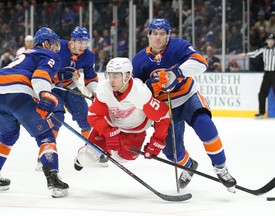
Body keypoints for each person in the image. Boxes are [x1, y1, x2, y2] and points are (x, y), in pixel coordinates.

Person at [132, 18, 237, 193]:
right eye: (154, 34)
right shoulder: (139, 60)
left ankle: (221, 168)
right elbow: (135, 90)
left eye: (162, 34)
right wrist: (150, 86)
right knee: (171, 152)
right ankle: (189, 165)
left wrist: (176, 73)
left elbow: (201, 63)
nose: (158, 37)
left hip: (188, 97)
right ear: (149, 35)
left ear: (168, 36)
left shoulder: (178, 46)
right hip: (164, 108)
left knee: (205, 124)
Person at [0, 27, 69, 198]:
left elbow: (29, 71)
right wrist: (44, 94)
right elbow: (39, 76)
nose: (56, 48)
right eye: (53, 44)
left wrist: (58, 77)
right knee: (46, 134)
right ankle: (53, 178)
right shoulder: (50, 55)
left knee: (7, 136)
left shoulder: (27, 54)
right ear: (45, 43)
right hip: (18, 94)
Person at [73, 57, 170, 169]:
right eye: (109, 75)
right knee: (86, 158)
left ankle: (108, 152)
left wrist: (156, 142)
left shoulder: (140, 92)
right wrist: (108, 132)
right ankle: (97, 152)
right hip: (111, 126)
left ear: (127, 76)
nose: (111, 80)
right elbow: (94, 116)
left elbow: (163, 116)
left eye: (115, 76)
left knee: (122, 158)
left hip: (134, 132)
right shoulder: (104, 89)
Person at [35, 26, 100, 170]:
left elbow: (90, 78)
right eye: (80, 42)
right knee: (56, 118)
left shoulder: (88, 55)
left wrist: (95, 92)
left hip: (70, 87)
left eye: (86, 42)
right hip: (53, 87)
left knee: (86, 118)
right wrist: (57, 76)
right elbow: (43, 68)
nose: (83, 46)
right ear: (72, 40)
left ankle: (90, 152)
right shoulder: (59, 46)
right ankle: (46, 156)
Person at [246, 33, 275, 118]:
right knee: (262, 94)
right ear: (267, 41)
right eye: (269, 40)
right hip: (267, 74)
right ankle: (261, 113)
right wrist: (245, 54)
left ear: (274, 41)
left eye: (272, 40)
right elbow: (254, 54)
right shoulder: (263, 49)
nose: (271, 42)